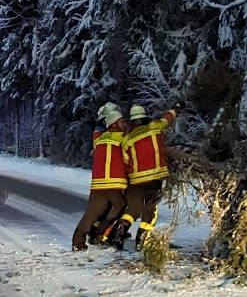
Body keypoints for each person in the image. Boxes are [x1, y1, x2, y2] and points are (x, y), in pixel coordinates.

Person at [112, 103, 182, 248]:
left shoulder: (127, 139)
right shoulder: (154, 127)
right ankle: (142, 239)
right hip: (154, 179)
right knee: (150, 210)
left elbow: (126, 161)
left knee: (133, 209)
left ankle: (121, 231)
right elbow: (167, 118)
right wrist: (177, 108)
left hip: (135, 180)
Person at [73, 103, 130, 251]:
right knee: (120, 207)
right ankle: (100, 234)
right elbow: (128, 159)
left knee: (91, 214)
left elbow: (97, 133)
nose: (124, 123)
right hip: (114, 183)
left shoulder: (99, 139)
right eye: (121, 121)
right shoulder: (123, 138)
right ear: (114, 123)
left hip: (98, 184)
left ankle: (78, 242)